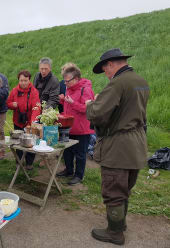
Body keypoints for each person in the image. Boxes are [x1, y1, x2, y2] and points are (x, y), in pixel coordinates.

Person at [86, 48, 149, 245]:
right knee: (125, 188)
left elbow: (97, 114)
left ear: (111, 64)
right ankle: (119, 224)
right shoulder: (141, 82)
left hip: (119, 147)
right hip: (137, 144)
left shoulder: (118, 83)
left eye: (105, 70)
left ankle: (115, 233)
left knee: (114, 190)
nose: (106, 74)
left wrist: (91, 103)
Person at [56, 63, 95, 185]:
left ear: (76, 78)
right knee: (67, 150)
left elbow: (87, 109)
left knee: (80, 153)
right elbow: (69, 106)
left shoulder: (86, 89)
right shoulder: (69, 88)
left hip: (82, 129)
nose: (65, 84)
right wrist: (63, 100)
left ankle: (79, 175)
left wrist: (72, 103)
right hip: (69, 127)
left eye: (67, 81)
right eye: (64, 81)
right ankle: (68, 170)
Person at [7, 70, 41, 170]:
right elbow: (8, 103)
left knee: (31, 143)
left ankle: (29, 163)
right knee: (18, 142)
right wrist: (12, 105)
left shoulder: (34, 91)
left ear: (29, 80)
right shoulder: (14, 91)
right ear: (19, 80)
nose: (23, 83)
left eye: (25, 80)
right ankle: (19, 162)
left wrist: (32, 123)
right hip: (18, 120)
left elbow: (36, 108)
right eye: (21, 80)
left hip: (30, 121)